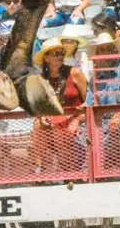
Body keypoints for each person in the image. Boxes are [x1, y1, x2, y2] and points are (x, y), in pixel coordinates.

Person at [32, 37, 87, 173]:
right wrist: (41, 115)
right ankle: (40, 169)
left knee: (61, 129)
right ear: (46, 58)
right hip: (54, 118)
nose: (60, 57)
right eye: (56, 54)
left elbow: (89, 100)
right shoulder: (41, 79)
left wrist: (77, 119)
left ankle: (68, 171)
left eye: (62, 53)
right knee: (38, 125)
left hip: (77, 117)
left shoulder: (75, 73)